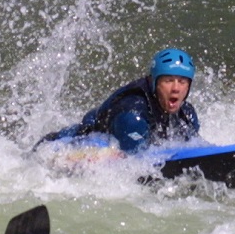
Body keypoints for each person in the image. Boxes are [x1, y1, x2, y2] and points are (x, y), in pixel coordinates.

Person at [39, 47, 202, 154]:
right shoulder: (133, 115)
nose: (176, 88)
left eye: (182, 82)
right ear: (154, 82)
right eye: (168, 81)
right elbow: (133, 166)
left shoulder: (186, 114)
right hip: (58, 147)